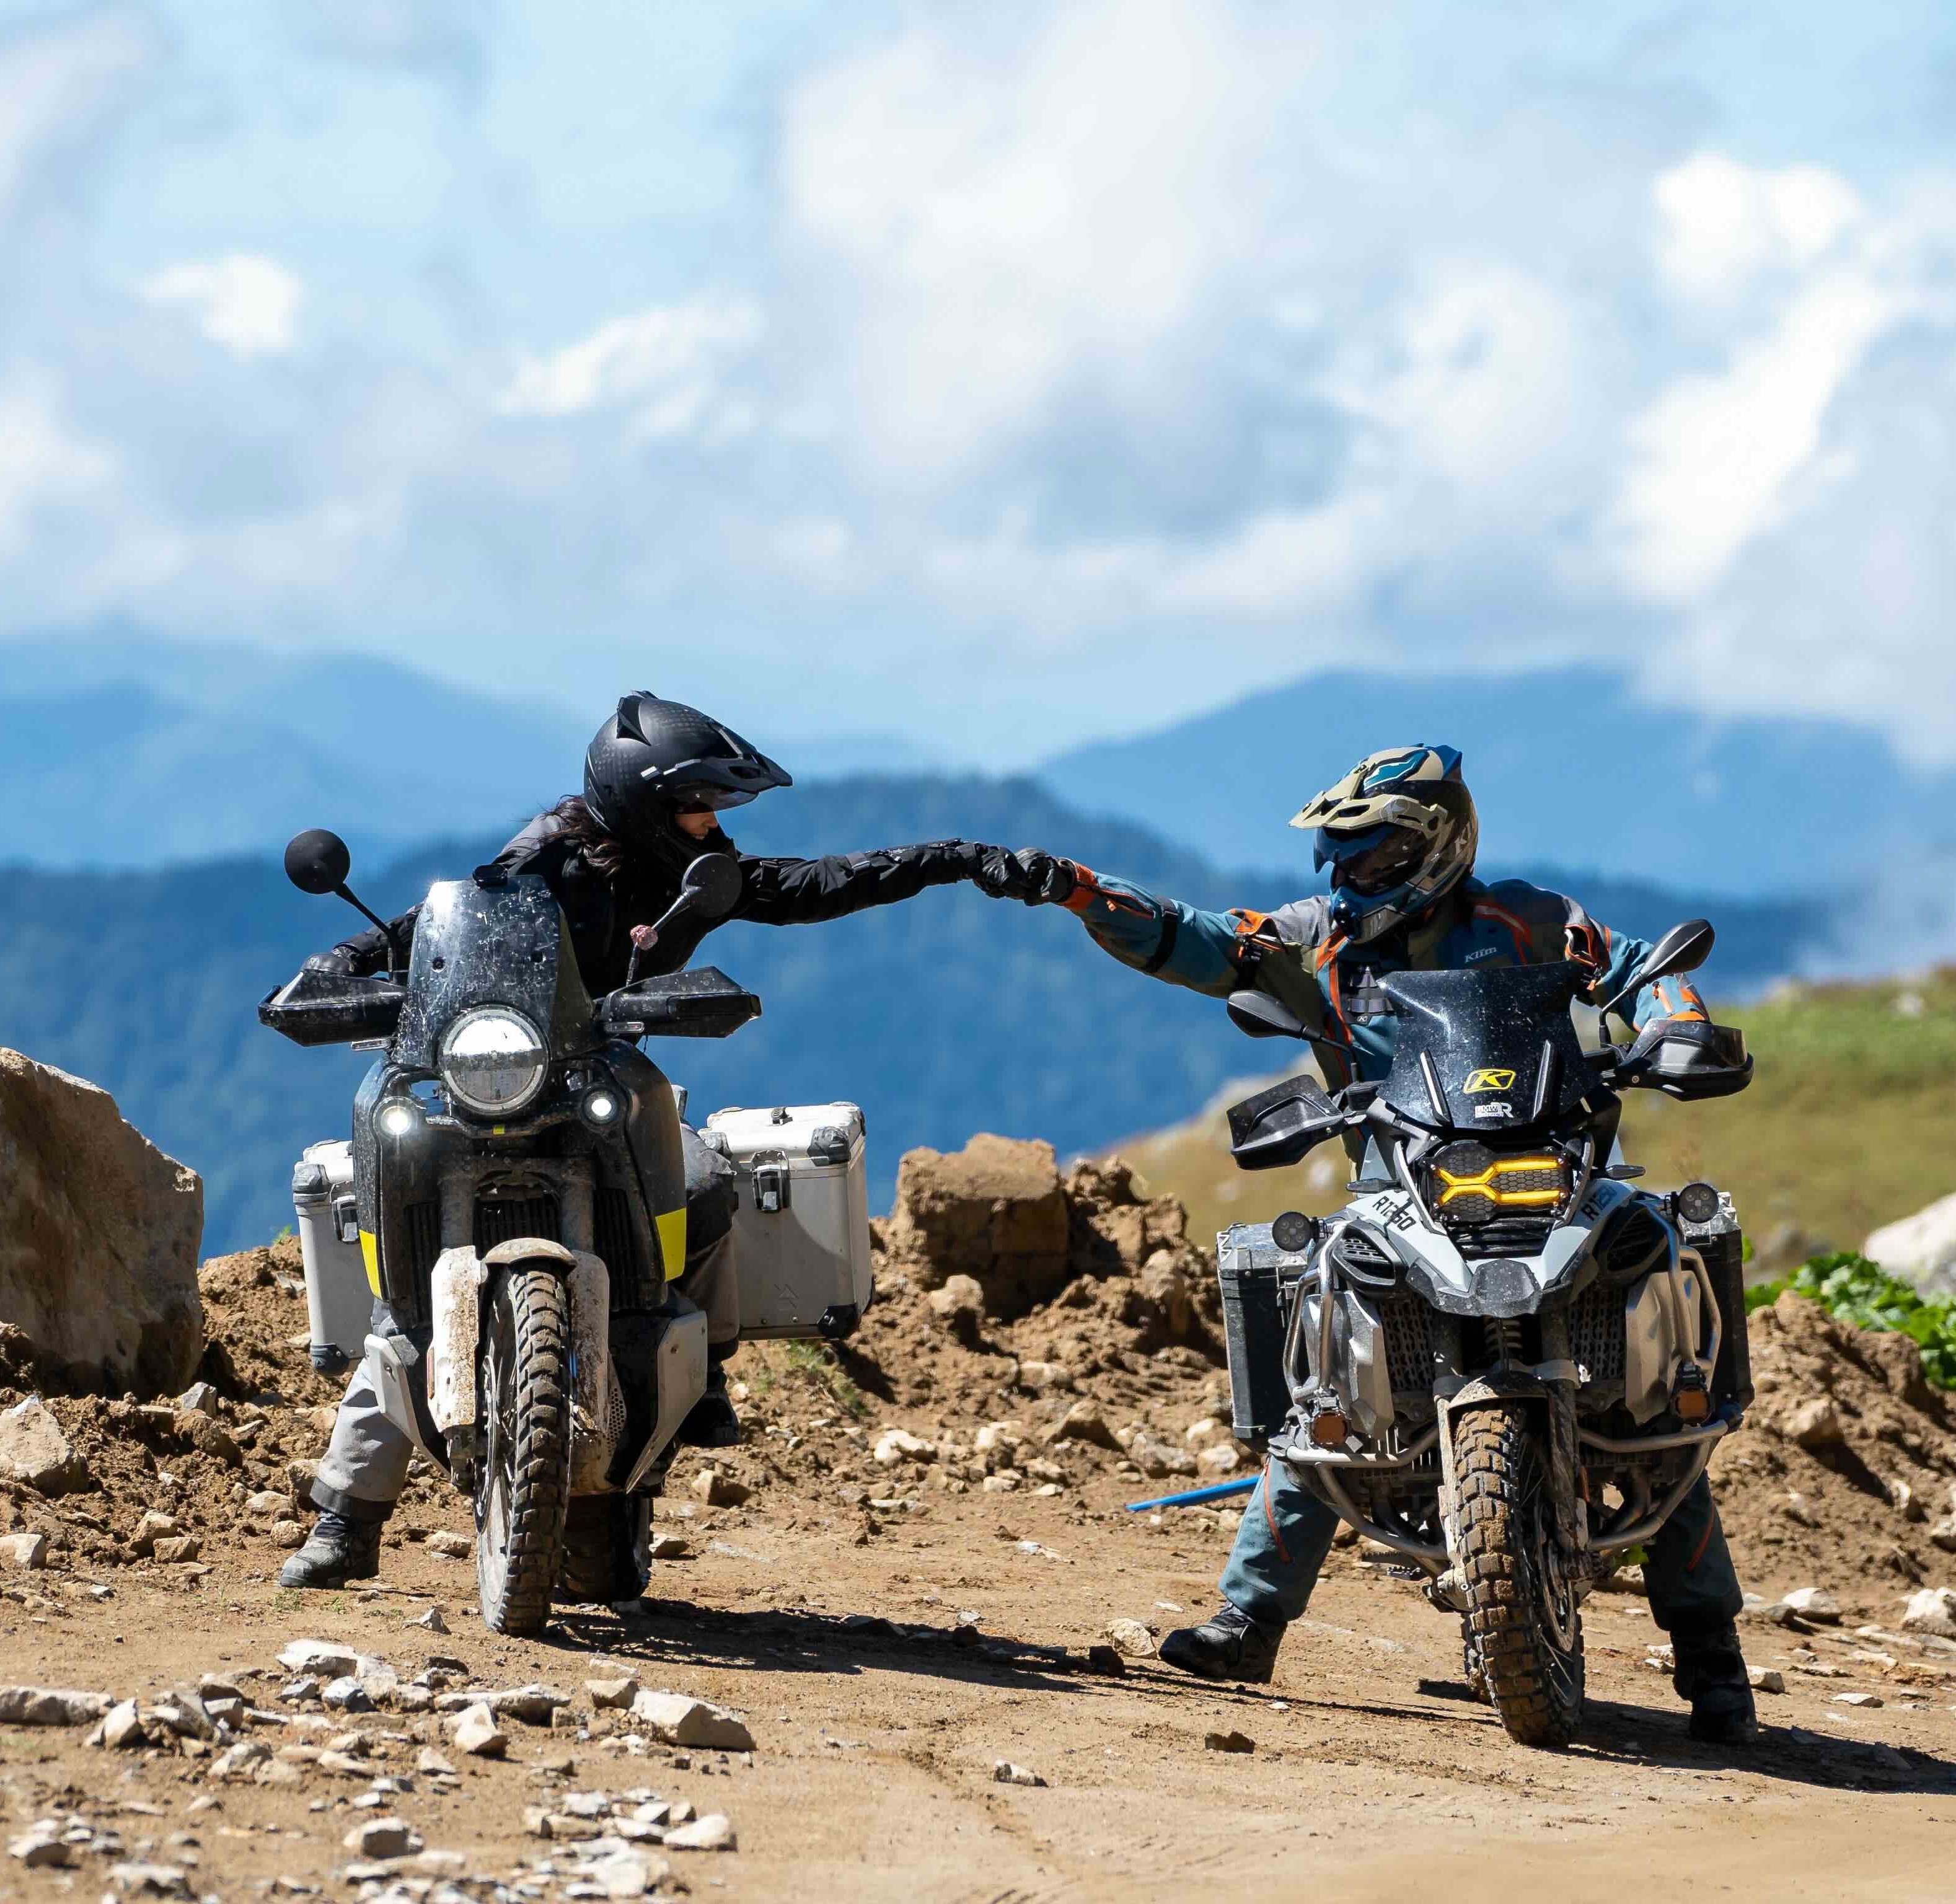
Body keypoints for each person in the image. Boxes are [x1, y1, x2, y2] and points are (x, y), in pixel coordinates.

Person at [978, 743, 1759, 1745]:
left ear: (1438, 842)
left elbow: (1641, 970)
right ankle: (1250, 1620)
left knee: (1651, 1402)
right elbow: (1201, 941)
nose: (1350, 871)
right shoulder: (1319, 940)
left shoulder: (1535, 920)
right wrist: (1087, 894)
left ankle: (1715, 1666)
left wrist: (1678, 1023)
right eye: (1339, 853)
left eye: (1375, 849)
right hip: (1403, 1186)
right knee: (1331, 1387)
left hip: (1556, 1166)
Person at [281, 690, 1040, 1589]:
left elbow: (817, 886)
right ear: (643, 799)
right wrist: (343, 962)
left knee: (708, 1184)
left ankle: (702, 1368)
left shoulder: (697, 870)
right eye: (700, 805)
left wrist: (955, 860)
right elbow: (433, 936)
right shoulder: (545, 859)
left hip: (597, 1083)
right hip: (491, 1081)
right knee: (401, 1300)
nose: (713, 822)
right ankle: (344, 1517)